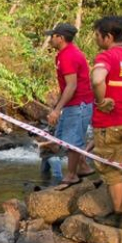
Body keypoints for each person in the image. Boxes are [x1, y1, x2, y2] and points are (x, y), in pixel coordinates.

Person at [90, 16, 122, 220]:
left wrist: (101, 101)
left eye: (98, 36)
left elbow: (98, 79)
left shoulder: (106, 56)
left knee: (112, 171)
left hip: (111, 122)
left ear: (108, 37)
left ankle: (120, 217)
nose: (96, 39)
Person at [45, 23, 95, 188]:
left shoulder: (68, 56)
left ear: (61, 38)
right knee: (63, 139)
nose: (50, 38)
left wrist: (57, 110)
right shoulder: (63, 54)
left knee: (72, 141)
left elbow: (72, 85)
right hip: (73, 104)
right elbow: (65, 86)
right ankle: (83, 167)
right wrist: (57, 107)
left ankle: (72, 175)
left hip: (79, 105)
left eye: (53, 36)